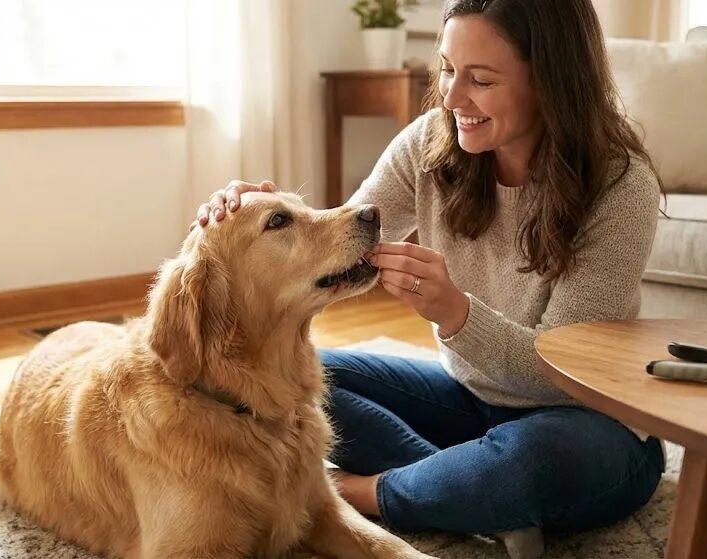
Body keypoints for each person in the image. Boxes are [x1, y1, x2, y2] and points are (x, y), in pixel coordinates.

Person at [193, 0, 665, 556]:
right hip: (468, 401)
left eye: (481, 80)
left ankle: (363, 493)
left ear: (551, 81)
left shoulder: (620, 184)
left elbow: (565, 376)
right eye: (446, 69)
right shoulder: (430, 144)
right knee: (314, 381)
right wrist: (264, 214)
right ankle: (464, 488)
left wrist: (456, 313)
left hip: (585, 423)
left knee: (527, 463)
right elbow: (346, 240)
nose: (451, 97)